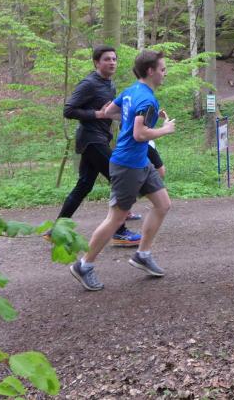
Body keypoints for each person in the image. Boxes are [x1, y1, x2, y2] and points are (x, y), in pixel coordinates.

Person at [70, 50, 175, 291]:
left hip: (141, 162)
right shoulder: (147, 99)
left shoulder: (131, 91)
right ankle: (84, 265)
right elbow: (139, 134)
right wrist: (165, 129)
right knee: (116, 218)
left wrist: (137, 117)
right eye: (162, 69)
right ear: (150, 71)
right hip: (127, 165)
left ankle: (142, 255)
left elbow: (109, 112)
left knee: (163, 204)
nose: (165, 73)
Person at [46, 46, 151, 247]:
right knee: (119, 178)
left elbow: (110, 112)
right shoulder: (89, 83)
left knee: (84, 185)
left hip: (97, 139)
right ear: (96, 62)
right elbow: (68, 110)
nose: (112, 62)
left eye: (114, 59)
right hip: (91, 139)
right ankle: (119, 232)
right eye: (107, 59)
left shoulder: (109, 84)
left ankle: (55, 231)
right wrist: (97, 114)